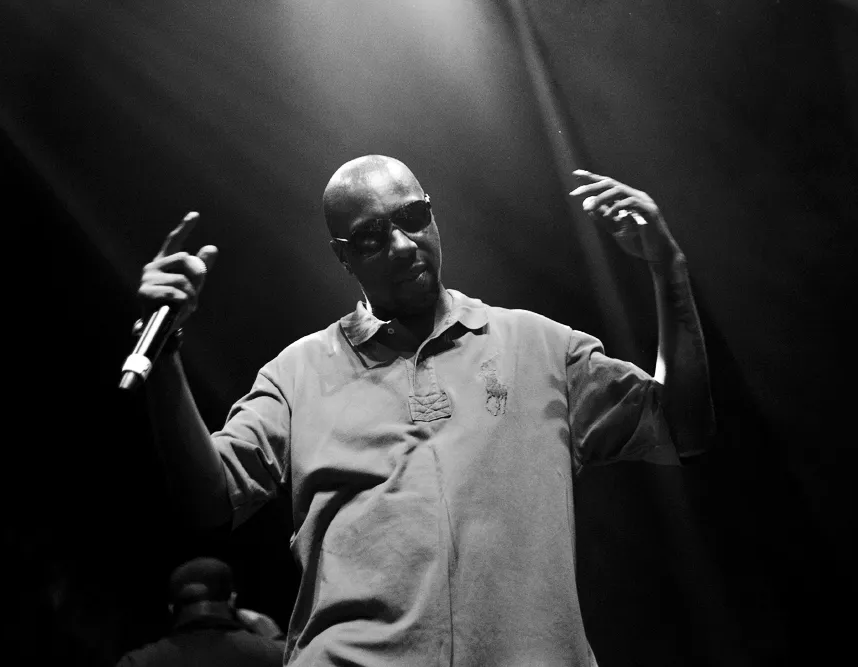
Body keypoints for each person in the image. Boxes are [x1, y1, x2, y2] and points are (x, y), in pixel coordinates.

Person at [137, 155, 714, 666]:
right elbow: (210, 500)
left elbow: (683, 429)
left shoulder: (539, 346)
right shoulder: (298, 373)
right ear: (343, 256)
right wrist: (164, 353)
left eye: (413, 217)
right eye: (371, 236)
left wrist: (669, 270)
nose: (403, 244)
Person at [114, 557, 285, 666]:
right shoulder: (276, 655)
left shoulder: (137, 662)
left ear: (171, 609)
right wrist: (278, 639)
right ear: (231, 600)